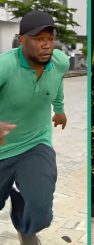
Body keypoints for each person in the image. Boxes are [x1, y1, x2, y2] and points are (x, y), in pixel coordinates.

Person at [0, 10, 69, 245]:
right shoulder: (5, 65)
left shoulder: (59, 61)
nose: (46, 45)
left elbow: (57, 82)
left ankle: (25, 226)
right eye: (39, 39)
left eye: (49, 39)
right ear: (22, 40)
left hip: (35, 143)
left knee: (40, 209)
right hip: (2, 149)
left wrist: (59, 110)